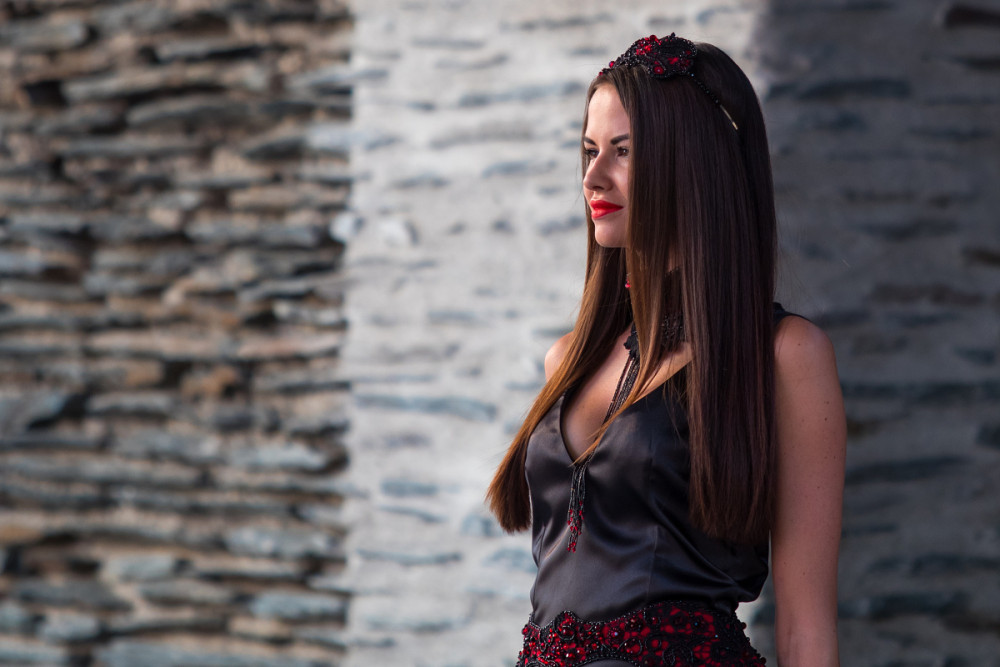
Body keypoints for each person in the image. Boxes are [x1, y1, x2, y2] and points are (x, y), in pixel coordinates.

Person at [486, 34, 845, 666]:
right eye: (590, 150)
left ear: (693, 162)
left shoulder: (784, 355)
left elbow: (805, 631)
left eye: (623, 151)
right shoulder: (566, 361)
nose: (593, 177)